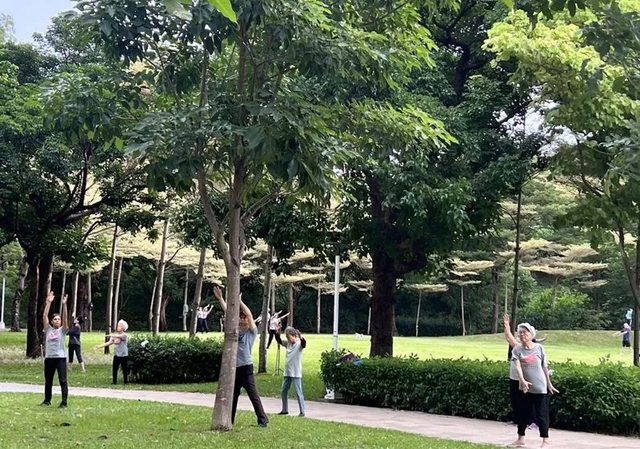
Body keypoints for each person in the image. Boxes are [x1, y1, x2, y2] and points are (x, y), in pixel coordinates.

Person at [214, 285, 269, 427]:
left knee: (253, 395)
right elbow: (229, 313)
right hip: (235, 368)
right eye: (241, 318)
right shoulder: (236, 331)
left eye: (244, 318)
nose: (242, 320)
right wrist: (221, 299)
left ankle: (263, 420)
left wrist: (239, 302)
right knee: (233, 396)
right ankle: (229, 420)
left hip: (246, 368)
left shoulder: (251, 332)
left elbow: (249, 315)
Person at [510, 322, 559, 448]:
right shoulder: (517, 349)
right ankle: (520, 439)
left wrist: (549, 384)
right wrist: (522, 381)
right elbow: (518, 367)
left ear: (531, 334)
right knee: (523, 414)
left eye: (525, 332)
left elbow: (544, 367)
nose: (522, 335)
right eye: (520, 333)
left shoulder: (539, 348)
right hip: (525, 388)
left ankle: (545, 440)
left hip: (540, 387)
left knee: (542, 414)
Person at [42, 291, 70, 408]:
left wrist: (64, 305)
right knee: (48, 380)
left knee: (63, 380)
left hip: (60, 358)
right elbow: (44, 316)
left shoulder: (63, 330)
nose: (57, 321)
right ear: (51, 321)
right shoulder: (48, 329)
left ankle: (64, 402)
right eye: (55, 319)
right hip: (49, 358)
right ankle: (47, 400)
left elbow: (66, 319)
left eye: (59, 319)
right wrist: (48, 302)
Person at [275, 326, 306, 417]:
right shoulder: (288, 344)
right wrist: (277, 333)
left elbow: (304, 344)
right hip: (287, 372)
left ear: (294, 336)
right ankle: (285, 410)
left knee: (298, 392)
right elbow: (279, 341)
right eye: (287, 338)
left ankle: (302, 411)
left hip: (296, 373)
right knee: (284, 391)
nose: (288, 339)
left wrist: (300, 336)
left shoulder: (299, 344)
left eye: (289, 337)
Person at [95, 319, 129, 385]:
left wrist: (111, 335)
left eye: (119, 326)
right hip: (117, 355)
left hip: (124, 355)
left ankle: (125, 382)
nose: (117, 327)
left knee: (124, 369)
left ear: (123, 328)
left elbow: (120, 336)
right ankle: (114, 382)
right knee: (115, 369)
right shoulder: (114, 336)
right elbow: (109, 343)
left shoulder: (124, 335)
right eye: (118, 326)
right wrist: (99, 346)